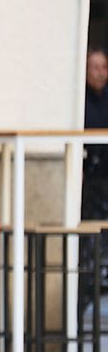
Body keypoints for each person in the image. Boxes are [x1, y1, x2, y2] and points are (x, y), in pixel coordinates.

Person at [82, 46, 108, 221]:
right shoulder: (80, 100)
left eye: (104, 67)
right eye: (95, 68)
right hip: (88, 175)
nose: (101, 73)